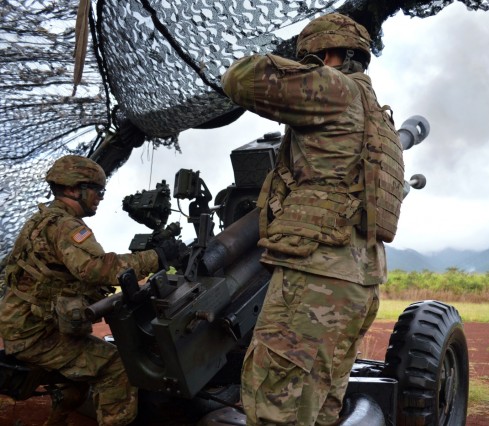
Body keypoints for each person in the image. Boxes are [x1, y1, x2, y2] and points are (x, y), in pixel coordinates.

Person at [221, 13, 405, 425]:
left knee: (277, 409)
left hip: (315, 279)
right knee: (320, 409)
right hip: (358, 283)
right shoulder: (379, 121)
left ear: (329, 55)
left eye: (312, 59)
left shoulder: (335, 89)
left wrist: (301, 69)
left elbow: (239, 78)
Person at [0, 155, 183, 426]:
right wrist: (157, 257)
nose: (100, 197)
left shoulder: (43, 220)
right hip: (36, 335)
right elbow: (97, 269)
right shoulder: (66, 226)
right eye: (97, 190)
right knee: (117, 367)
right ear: (74, 190)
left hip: (24, 325)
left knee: (81, 376)